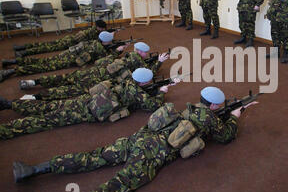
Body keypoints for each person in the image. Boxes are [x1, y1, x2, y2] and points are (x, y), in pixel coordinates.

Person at [12, 86, 258, 192]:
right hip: (154, 154)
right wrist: (235, 117)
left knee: (93, 157)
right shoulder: (209, 119)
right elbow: (225, 136)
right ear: (215, 105)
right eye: (220, 106)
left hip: (138, 139)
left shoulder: (189, 108)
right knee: (118, 185)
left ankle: (35, 168)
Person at [0, 68, 180, 140]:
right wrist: (161, 93)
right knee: (47, 120)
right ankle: (6, 129)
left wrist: (155, 87)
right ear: (144, 83)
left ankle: (10, 104)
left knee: (52, 106)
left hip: (88, 99)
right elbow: (151, 105)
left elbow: (141, 91)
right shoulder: (138, 92)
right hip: (90, 111)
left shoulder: (128, 82)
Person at [18, 42, 170, 101]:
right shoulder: (137, 61)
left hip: (93, 71)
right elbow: (148, 74)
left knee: (62, 77)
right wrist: (159, 62)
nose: (145, 55)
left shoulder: (129, 55)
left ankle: (34, 82)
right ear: (141, 53)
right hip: (97, 80)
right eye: (145, 53)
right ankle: (33, 97)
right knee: (68, 91)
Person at [0, 31, 130, 82]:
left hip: (68, 53)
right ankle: (12, 71)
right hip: (69, 60)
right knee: (42, 67)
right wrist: (118, 51)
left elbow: (104, 47)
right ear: (106, 42)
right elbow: (102, 59)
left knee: (42, 61)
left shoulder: (94, 42)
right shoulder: (99, 48)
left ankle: (12, 61)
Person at [12, 19, 108, 58]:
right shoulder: (93, 32)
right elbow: (93, 41)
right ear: (99, 28)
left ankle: (21, 47)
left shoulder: (92, 29)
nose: (103, 30)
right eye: (103, 28)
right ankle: (23, 52)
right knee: (47, 48)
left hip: (68, 38)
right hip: (69, 42)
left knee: (48, 44)